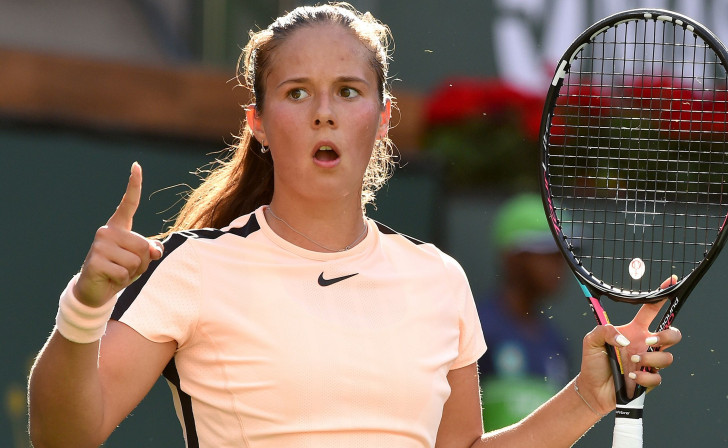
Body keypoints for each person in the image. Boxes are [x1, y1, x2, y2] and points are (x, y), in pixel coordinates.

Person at [27, 3, 681, 447]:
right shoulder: (191, 268)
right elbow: (63, 435)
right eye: (295, 92)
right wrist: (83, 309)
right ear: (257, 123)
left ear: (383, 115)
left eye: (347, 91)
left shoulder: (438, 280)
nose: (323, 113)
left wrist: (585, 401)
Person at [478, 193, 571, 431]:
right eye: (548, 254)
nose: (559, 265)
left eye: (562, 255)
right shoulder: (476, 331)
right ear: (513, 258)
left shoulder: (556, 343)